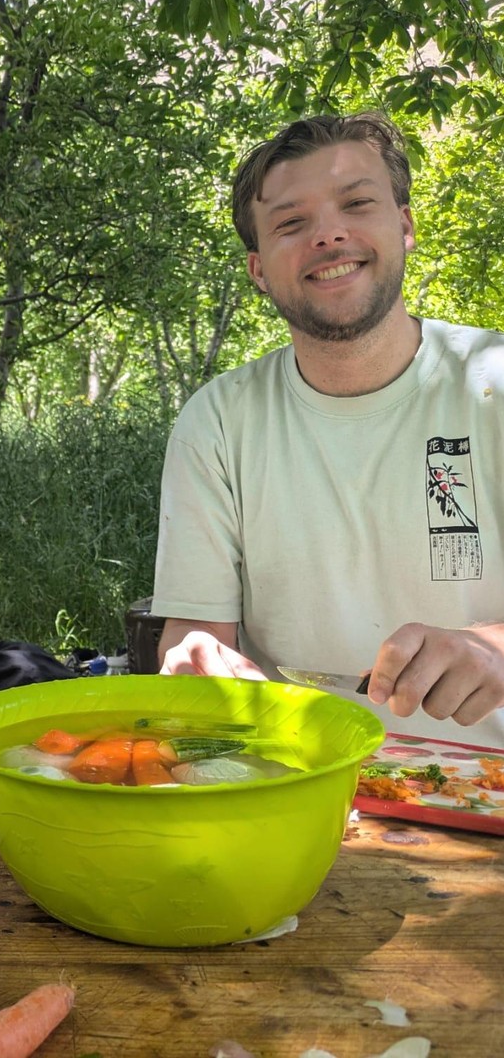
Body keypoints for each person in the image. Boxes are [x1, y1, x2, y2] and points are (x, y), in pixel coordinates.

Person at [150, 111, 504, 747]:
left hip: (488, 790)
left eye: (357, 203)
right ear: (259, 272)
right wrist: (194, 657)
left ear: (404, 225)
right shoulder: (219, 420)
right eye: (291, 223)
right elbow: (194, 630)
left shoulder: (493, 382)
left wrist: (492, 647)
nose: (329, 234)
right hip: (295, 782)